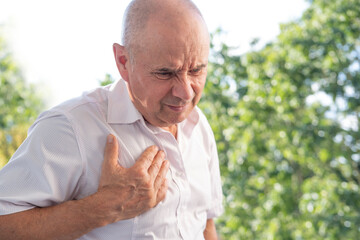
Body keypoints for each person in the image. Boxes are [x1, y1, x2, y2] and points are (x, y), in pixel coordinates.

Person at [0, 0, 223, 239]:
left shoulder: (199, 125)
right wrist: (102, 208)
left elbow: (205, 223)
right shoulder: (70, 127)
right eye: (165, 73)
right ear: (123, 62)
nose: (187, 93)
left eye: (197, 70)